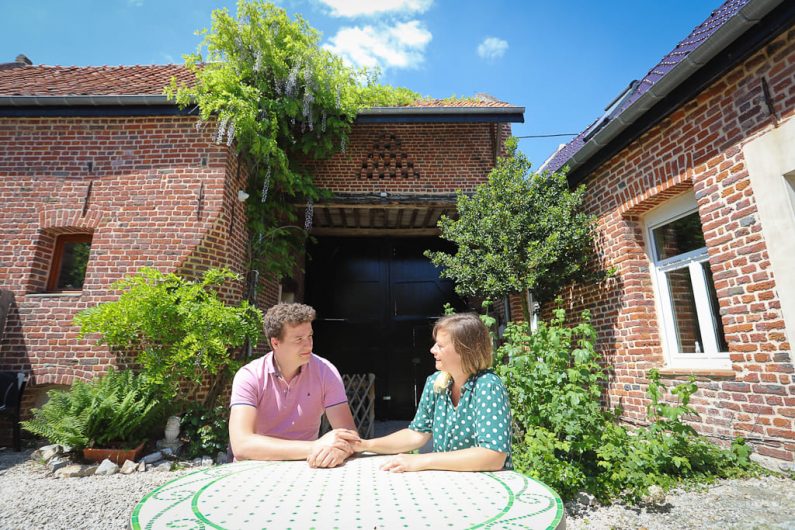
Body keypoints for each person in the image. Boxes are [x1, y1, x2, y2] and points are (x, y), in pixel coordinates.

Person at [354, 313, 512, 472]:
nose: (432, 350)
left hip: (487, 487)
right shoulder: (437, 383)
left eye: (440, 346)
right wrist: (365, 445)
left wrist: (422, 460)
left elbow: (493, 456)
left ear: (465, 350)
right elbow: (416, 434)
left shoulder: (487, 386)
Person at [228, 303, 360, 468]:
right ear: (275, 343)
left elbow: (350, 435)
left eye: (310, 336)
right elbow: (242, 446)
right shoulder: (250, 376)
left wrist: (341, 450)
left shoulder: (326, 372)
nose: (309, 345)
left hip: (307, 466)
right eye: (299, 339)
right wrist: (316, 446)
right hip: (254, 467)